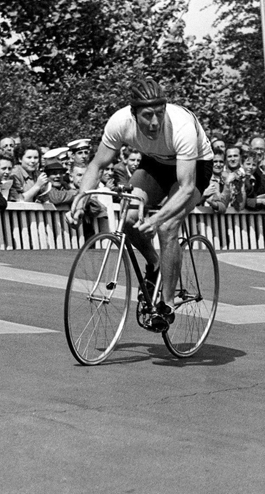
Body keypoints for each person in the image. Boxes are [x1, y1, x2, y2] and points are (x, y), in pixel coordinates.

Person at [69, 80, 212, 332]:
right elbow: (96, 165)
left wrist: (157, 220)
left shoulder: (181, 127)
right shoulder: (119, 122)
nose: (155, 122)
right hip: (155, 163)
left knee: (168, 227)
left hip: (194, 166)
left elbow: (187, 187)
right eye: (148, 115)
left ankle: (166, 305)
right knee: (129, 217)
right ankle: (155, 265)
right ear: (133, 114)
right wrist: (80, 199)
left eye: (160, 113)